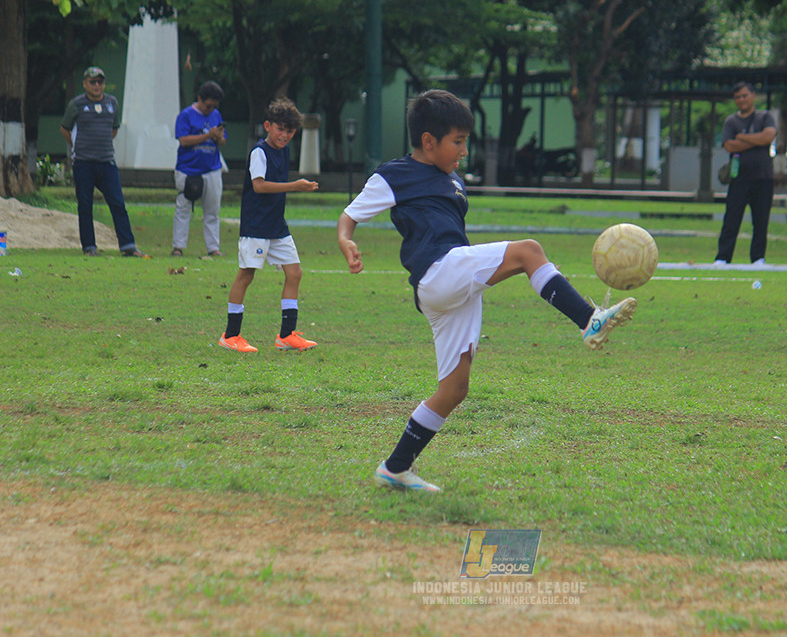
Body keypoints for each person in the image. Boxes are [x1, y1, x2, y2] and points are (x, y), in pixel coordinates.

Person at [337, 89, 637, 492]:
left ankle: (394, 468)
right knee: (528, 251)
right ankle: (588, 319)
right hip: (437, 272)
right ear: (428, 141)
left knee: (455, 390)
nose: (463, 151)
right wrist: (346, 240)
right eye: (457, 142)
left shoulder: (454, 181)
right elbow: (350, 214)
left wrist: (539, 273)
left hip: (451, 284)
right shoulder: (395, 174)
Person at [218, 97, 319, 353]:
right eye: (279, 128)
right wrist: (295, 186)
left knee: (294, 273)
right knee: (247, 274)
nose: (284, 135)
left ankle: (286, 335)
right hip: (256, 225)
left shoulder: (283, 151)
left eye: (289, 131)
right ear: (267, 126)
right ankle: (230, 336)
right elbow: (259, 185)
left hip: (277, 226)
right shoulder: (259, 153)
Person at [59, 66, 149, 258]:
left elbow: (114, 129)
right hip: (84, 163)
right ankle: (89, 247)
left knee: (118, 203)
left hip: (107, 162)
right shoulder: (76, 104)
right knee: (85, 205)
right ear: (85, 84)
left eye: (100, 82)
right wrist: (78, 146)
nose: (97, 85)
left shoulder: (112, 103)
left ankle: (128, 245)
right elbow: (65, 129)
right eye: (93, 82)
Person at [714, 81, 777, 266]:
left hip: (764, 177)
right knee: (731, 219)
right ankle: (723, 258)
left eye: (744, 95)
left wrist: (742, 137)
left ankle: (758, 258)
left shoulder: (765, 116)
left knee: (761, 220)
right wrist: (757, 141)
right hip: (739, 177)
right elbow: (729, 145)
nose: (741, 100)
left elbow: (768, 137)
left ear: (753, 95)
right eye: (737, 97)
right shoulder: (731, 121)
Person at [172, 81, 227, 257]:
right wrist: (207, 135)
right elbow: (183, 140)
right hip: (188, 169)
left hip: (212, 168)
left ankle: (213, 248)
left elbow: (223, 140)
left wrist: (218, 137)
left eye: (214, 106)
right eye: (208, 105)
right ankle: (178, 246)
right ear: (200, 99)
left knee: (212, 210)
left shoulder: (216, 115)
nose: (210, 109)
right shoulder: (186, 115)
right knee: (183, 207)